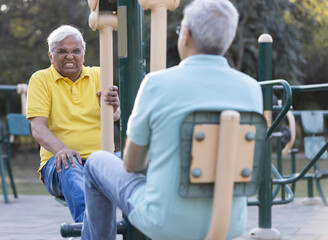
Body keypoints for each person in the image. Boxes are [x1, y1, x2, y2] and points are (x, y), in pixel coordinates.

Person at [81, 0, 263, 239]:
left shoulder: (157, 84)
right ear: (228, 42)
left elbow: (132, 164)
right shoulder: (251, 89)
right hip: (230, 222)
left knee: (96, 161)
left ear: (185, 35)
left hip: (166, 221)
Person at [26, 25, 120, 223]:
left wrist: (114, 108)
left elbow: (114, 116)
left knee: (136, 164)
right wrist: (62, 150)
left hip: (101, 159)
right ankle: (90, 229)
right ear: (51, 56)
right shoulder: (41, 79)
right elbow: (38, 128)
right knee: (69, 164)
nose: (70, 56)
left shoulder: (99, 75)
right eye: (62, 51)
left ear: (83, 54)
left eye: (75, 51)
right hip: (60, 164)